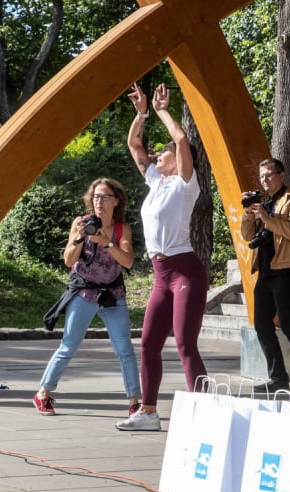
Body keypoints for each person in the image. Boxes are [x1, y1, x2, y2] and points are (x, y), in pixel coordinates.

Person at [115, 82, 208, 431]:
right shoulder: (156, 182)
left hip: (185, 272)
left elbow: (181, 140)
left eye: (163, 152)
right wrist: (141, 114)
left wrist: (162, 111)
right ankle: (148, 412)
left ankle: (206, 412)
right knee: (149, 344)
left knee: (185, 344)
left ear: (179, 159)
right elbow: (134, 144)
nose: (156, 155)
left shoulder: (186, 183)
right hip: (160, 275)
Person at [34, 178, 141, 417]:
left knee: (125, 349)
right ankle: (43, 393)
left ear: (116, 201)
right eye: (95, 197)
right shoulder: (80, 223)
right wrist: (79, 238)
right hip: (84, 293)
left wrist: (107, 243)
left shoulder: (122, 228)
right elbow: (68, 260)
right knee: (69, 345)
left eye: (104, 197)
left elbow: (128, 261)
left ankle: (134, 401)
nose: (99, 201)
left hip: (113, 295)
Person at [241, 158, 290, 393]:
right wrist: (249, 213)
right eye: (262, 176)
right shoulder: (263, 202)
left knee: (288, 323)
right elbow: (247, 236)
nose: (265, 180)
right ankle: (277, 378)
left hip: (287, 268)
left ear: (282, 175)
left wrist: (268, 220)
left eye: (269, 175)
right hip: (265, 269)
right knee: (262, 325)